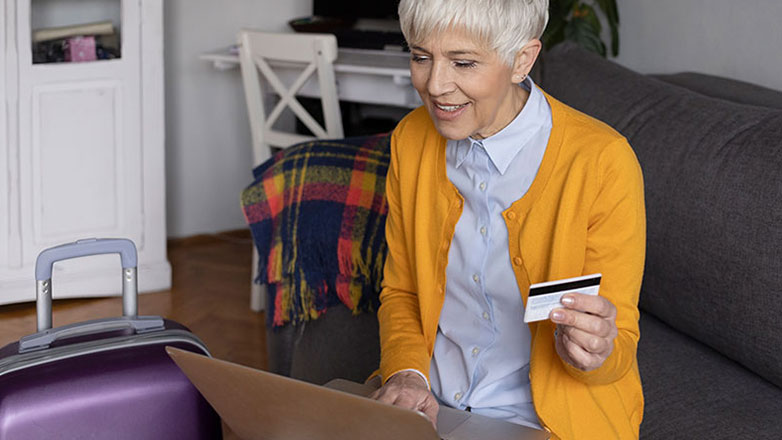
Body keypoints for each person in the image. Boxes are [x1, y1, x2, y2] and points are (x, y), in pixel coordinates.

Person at [368, 0, 646, 438]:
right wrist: (407, 374)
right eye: (421, 57)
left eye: (463, 63)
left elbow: (619, 341)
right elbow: (402, 291)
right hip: (430, 405)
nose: (435, 85)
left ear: (522, 60)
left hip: (544, 423)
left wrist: (594, 351)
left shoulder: (602, 162)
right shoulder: (411, 139)